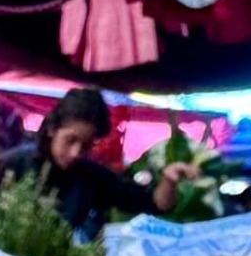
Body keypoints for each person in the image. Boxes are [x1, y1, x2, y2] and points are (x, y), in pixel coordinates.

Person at [36, 89, 197, 238]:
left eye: (86, 146)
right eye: (70, 140)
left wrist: (169, 180)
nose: (76, 153)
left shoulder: (93, 176)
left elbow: (155, 203)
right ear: (52, 129)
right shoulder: (16, 165)